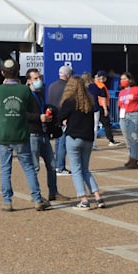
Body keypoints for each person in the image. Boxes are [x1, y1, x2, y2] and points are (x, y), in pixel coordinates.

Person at [0, 62, 49, 212]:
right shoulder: (24, 90)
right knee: (29, 168)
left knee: (5, 168)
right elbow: (29, 107)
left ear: (3, 73)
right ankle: (37, 199)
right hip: (21, 134)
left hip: (4, 134)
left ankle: (7, 201)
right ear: (18, 72)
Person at [57, 76, 105, 209]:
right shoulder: (89, 102)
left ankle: (84, 199)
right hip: (88, 139)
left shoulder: (70, 101)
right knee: (85, 170)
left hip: (74, 138)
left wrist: (63, 121)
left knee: (76, 170)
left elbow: (60, 117)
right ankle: (97, 197)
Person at [24, 66, 62, 199]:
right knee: (34, 167)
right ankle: (36, 196)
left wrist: (48, 113)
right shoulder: (26, 95)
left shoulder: (40, 93)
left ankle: (53, 192)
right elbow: (23, 114)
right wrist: (38, 117)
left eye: (39, 77)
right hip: (32, 133)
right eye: (35, 78)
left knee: (52, 165)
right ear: (29, 81)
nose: (38, 80)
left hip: (43, 132)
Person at [117, 73, 138, 169]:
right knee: (127, 138)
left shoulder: (137, 89)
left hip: (133, 115)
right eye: (121, 79)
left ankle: (134, 159)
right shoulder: (121, 92)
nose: (122, 80)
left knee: (133, 138)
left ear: (130, 80)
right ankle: (130, 157)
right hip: (123, 116)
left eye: (124, 78)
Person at [47, 65, 73, 171]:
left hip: (54, 117)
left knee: (58, 142)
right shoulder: (67, 87)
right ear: (67, 75)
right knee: (62, 143)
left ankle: (57, 164)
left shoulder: (52, 86)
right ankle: (60, 166)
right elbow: (66, 103)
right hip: (63, 117)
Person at [90, 71, 120, 146]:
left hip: (95, 107)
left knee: (95, 124)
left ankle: (109, 140)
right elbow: (103, 98)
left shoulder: (94, 85)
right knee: (106, 124)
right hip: (101, 107)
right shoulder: (101, 86)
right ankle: (111, 140)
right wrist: (105, 109)